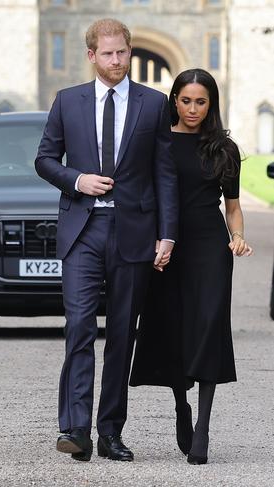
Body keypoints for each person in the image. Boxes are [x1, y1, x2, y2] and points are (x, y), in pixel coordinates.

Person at [35, 18, 178, 462]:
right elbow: (44, 159)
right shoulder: (67, 101)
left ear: (129, 51)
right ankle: (75, 428)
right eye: (108, 53)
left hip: (134, 233)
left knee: (121, 334)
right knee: (79, 326)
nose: (116, 60)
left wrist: (167, 234)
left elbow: (165, 174)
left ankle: (110, 431)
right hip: (83, 230)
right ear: (91, 55)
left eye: (123, 52)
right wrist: (77, 180)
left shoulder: (154, 104)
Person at [130, 68, 253, 465]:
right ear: (174, 101)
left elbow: (232, 208)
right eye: (186, 100)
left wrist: (236, 236)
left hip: (208, 249)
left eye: (201, 101)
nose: (193, 108)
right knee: (172, 326)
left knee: (208, 328)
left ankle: (202, 427)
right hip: (166, 247)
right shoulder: (158, 141)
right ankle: (181, 403)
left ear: (211, 103)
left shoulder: (224, 149)